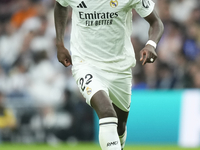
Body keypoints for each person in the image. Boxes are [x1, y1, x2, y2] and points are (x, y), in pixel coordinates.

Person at [54, 0, 164, 149]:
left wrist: (151, 44)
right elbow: (60, 5)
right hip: (85, 64)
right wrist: (60, 43)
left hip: (120, 67)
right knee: (107, 113)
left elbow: (156, 22)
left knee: (120, 127)